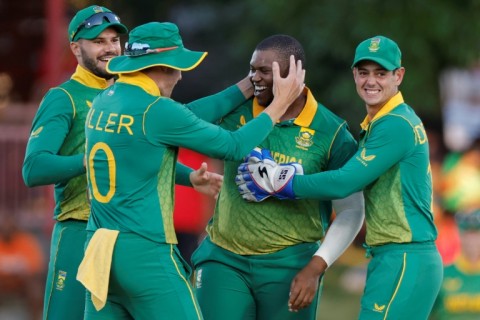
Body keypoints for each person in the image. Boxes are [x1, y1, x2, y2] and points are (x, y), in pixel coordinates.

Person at [80, 22, 304, 320]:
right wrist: (279, 105)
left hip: (99, 252)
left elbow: (181, 120)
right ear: (159, 67)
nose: (180, 75)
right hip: (144, 253)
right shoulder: (156, 110)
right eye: (176, 67)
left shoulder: (106, 100)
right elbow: (233, 146)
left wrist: (248, 84)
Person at [22, 6, 223, 319]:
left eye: (115, 40)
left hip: (123, 237)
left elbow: (142, 155)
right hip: (80, 229)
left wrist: (189, 177)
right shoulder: (64, 97)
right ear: (76, 48)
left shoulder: (126, 93)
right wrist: (89, 162)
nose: (110, 48)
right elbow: (34, 169)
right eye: (98, 41)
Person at [237, 35, 443, 319]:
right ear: (354, 75)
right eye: (364, 73)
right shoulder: (385, 120)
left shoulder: (395, 124)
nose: (371, 81)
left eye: (381, 73)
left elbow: (345, 182)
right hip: (396, 256)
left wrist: (281, 183)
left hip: (404, 256)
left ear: (399, 76)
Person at [191, 34, 365, 320]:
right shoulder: (237, 110)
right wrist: (246, 86)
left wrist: (316, 266)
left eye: (264, 71)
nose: (254, 77)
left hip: (291, 264)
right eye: (251, 69)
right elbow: (183, 120)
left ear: (293, 74)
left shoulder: (331, 132)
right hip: (224, 258)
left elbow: (351, 211)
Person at [430, 208, 480, 319]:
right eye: (467, 233)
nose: (472, 240)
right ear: (460, 235)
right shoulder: (442, 275)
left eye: (476, 234)